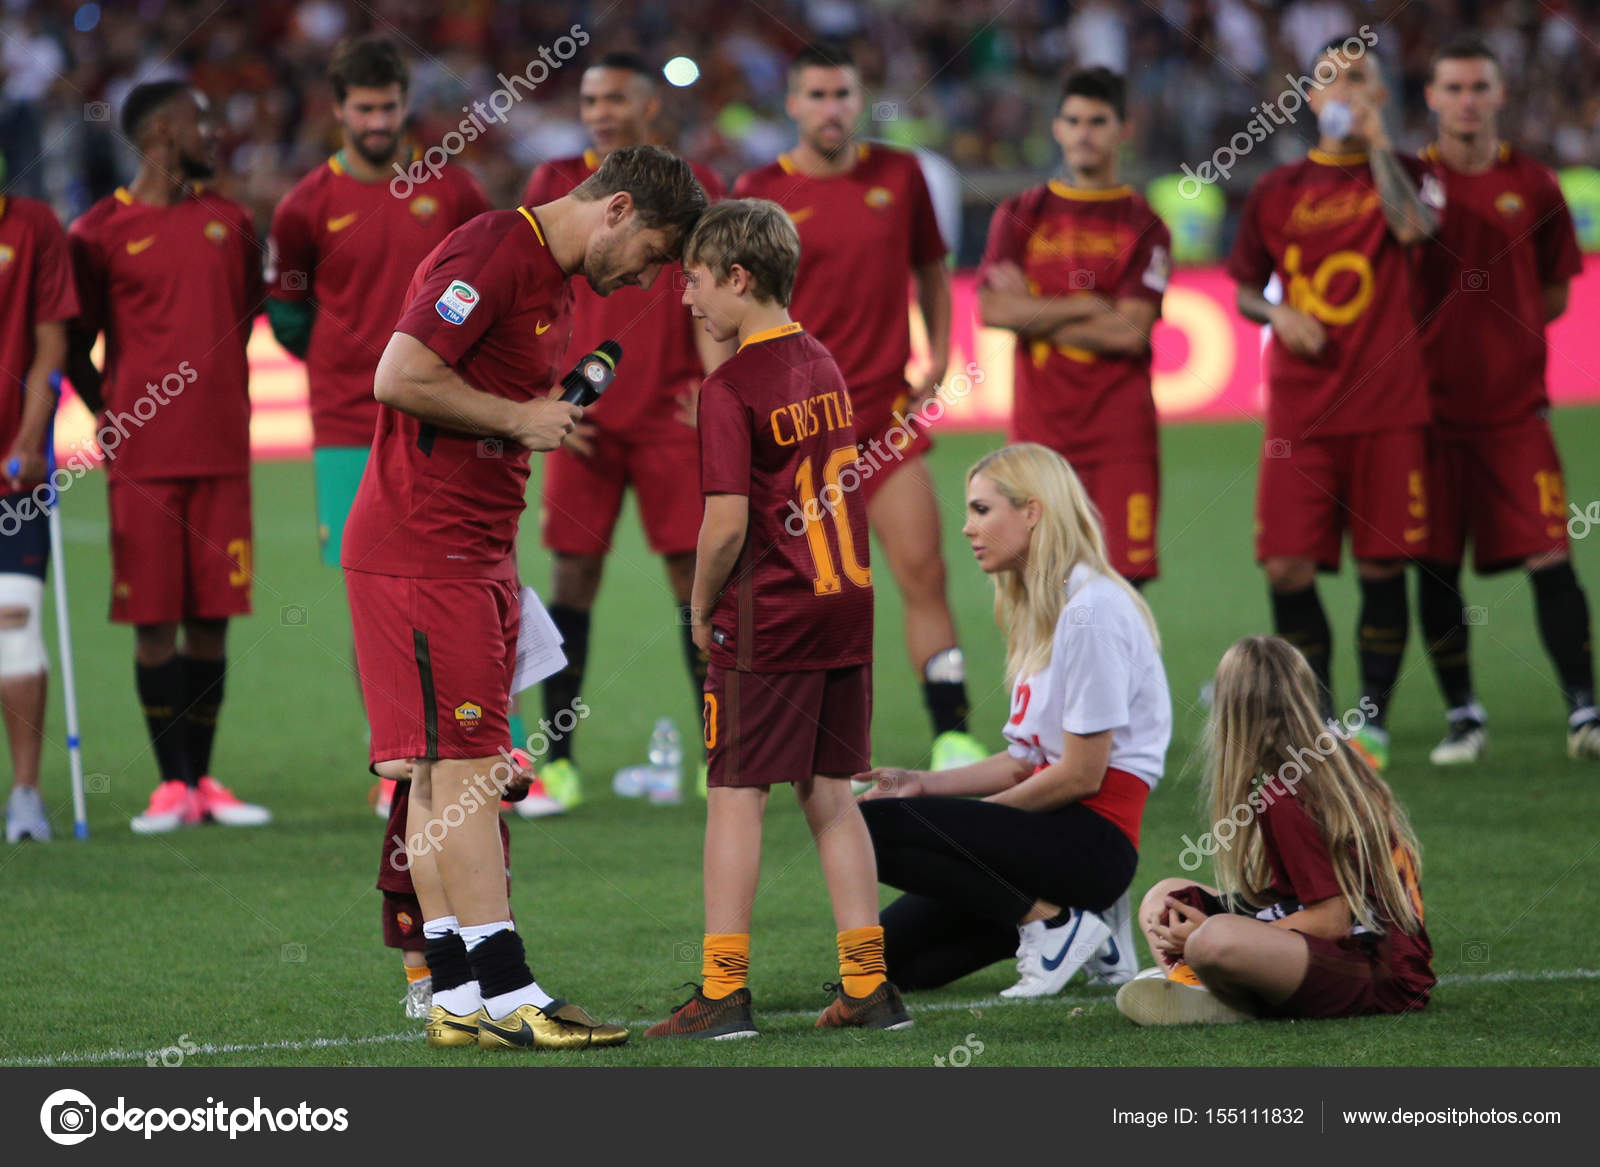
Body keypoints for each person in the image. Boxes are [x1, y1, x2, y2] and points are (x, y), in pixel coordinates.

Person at [342, 145, 706, 1050]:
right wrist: (521, 418)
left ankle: (459, 993)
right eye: (656, 252)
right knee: (466, 771)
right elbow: (397, 375)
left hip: (463, 547)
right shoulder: (494, 251)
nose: (651, 277)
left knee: (437, 772)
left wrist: (523, 407)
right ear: (617, 209)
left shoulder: (551, 277)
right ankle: (512, 994)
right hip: (429, 548)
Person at [266, 34, 505, 1019]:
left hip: (440, 432)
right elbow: (282, 314)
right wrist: (344, 360)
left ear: (407, 100)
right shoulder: (301, 205)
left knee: (446, 600)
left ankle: (451, 763)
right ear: (338, 108)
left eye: (389, 104)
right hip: (342, 431)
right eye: (361, 107)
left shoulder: (450, 192)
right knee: (384, 599)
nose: (377, 120)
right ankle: (407, 763)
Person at [645, 198, 911, 1039]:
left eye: (693, 280)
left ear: (737, 277)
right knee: (833, 796)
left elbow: (725, 523)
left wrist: (696, 608)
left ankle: (723, 994)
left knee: (733, 794)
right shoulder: (823, 361)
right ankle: (868, 985)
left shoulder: (729, 387)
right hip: (846, 606)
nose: (687, 300)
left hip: (771, 617)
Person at [735, 42, 985, 771]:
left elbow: (932, 270)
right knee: (804, 591)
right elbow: (725, 298)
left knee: (922, 570)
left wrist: (939, 352)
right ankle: (803, 740)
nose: (830, 108)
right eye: (815, 95)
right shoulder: (758, 187)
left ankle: (951, 730)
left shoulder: (901, 176)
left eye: (842, 94)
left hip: (883, 414)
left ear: (859, 99)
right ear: (792, 104)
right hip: (794, 423)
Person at [856, 443, 1171, 997]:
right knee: (881, 965)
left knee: (863, 826)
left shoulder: (1092, 610)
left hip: (1091, 841)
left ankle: (1054, 922)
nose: (967, 528)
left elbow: (1081, 776)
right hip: (1047, 837)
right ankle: (1082, 925)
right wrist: (922, 784)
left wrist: (963, 828)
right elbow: (1024, 762)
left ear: (1031, 511)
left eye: (981, 510)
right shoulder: (1043, 607)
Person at [520, 52, 730, 808]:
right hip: (583, 417)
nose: (599, 110)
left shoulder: (687, 192)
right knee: (572, 577)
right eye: (588, 98)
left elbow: (712, 292)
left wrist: (718, 383)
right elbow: (532, 290)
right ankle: (559, 758)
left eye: (614, 98)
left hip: (670, 415)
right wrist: (544, 391)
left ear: (648, 109)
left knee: (694, 579)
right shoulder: (555, 187)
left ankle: (720, 750)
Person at [1227, 35, 1439, 769]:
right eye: (1330, 80)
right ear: (1310, 98)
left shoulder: (1408, 173)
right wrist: (1276, 314)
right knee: (1286, 566)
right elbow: (1247, 284)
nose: (1343, 91)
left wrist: (1380, 145)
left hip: (1386, 403)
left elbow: (1415, 227)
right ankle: (1318, 720)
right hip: (1300, 410)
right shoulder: (1277, 191)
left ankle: (1370, 722)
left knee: (1383, 567)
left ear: (1379, 95)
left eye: (1359, 79)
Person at [65, 82, 271, 834]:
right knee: (154, 620)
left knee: (213, 616)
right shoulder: (97, 232)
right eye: (198, 119)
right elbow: (73, 343)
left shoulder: (232, 220)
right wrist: (111, 415)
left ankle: (204, 780)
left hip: (222, 451)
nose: (211, 131)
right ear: (159, 131)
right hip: (144, 461)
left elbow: (246, 312)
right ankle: (170, 785)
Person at [1412, 36, 1597, 764]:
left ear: (1498, 95)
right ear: (1430, 97)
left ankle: (1585, 706)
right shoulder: (1406, 183)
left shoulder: (1537, 184)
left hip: (1517, 411)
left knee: (1551, 553)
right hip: (1426, 412)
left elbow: (1553, 289)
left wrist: (1500, 338)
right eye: (1452, 87)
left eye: (1478, 87)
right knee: (1434, 565)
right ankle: (1463, 713)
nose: (1466, 100)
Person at [1117, 635, 1434, 1026]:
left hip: (1375, 967)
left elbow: (1334, 919)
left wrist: (1213, 935)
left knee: (1214, 939)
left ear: (1231, 710)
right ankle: (1204, 987)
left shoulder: (1289, 790)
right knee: (1163, 899)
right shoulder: (1308, 762)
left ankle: (1211, 986)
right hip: (1330, 934)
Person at [978, 67, 1171, 588]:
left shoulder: (1144, 224)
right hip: (1039, 439)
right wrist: (1090, 304)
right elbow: (994, 311)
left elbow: (1130, 333)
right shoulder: (1020, 212)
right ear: (1057, 128)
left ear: (1123, 130)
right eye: (1073, 120)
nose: (1084, 132)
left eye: (1098, 121)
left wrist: (1035, 312)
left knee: (1120, 587)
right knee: (1039, 588)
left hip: (1119, 435)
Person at [0, 187, 77, 843]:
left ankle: (25, 794)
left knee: (14, 625)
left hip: (13, 473)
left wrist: (29, 438)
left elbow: (52, 342)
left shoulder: (35, 226)